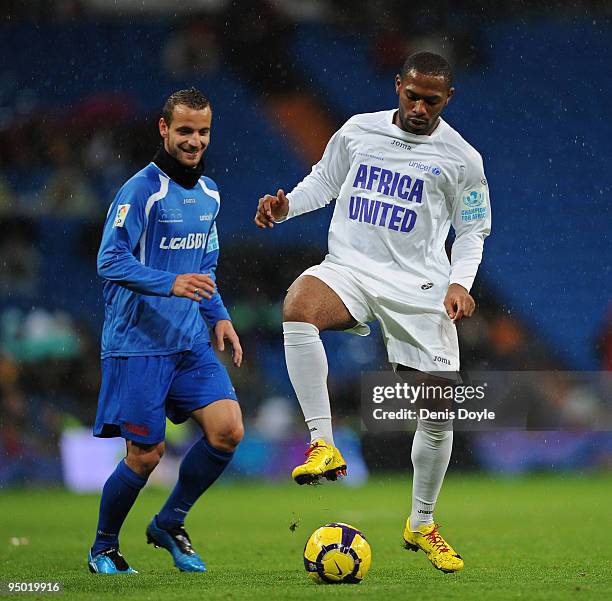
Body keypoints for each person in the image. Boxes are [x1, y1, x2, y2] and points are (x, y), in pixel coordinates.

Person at [255, 52, 491, 573]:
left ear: (448, 99)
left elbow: (472, 230)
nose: (421, 107)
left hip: (420, 289)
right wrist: (287, 206)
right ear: (398, 86)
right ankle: (323, 444)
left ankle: (422, 522)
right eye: (413, 95)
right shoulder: (358, 130)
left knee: (437, 414)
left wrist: (459, 283)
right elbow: (324, 181)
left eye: (433, 100)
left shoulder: (463, 159)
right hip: (351, 267)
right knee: (298, 306)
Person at [89, 88, 243, 574]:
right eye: (185, 131)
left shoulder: (211, 194)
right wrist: (169, 283)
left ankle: (169, 522)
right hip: (138, 343)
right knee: (146, 455)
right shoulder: (141, 190)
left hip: (189, 342)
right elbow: (109, 260)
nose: (195, 141)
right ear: (163, 129)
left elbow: (205, 267)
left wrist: (218, 314)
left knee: (228, 432)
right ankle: (103, 548)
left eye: (202, 132)